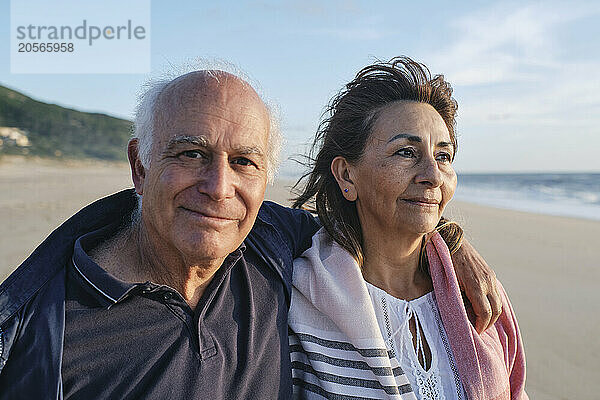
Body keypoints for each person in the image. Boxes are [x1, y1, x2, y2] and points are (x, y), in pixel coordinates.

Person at [0, 66, 501, 399]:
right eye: (191, 154)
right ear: (140, 165)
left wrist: (451, 244)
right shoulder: (49, 331)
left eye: (243, 162)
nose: (219, 188)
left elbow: (378, 225)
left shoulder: (271, 245)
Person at [289, 57, 527, 399]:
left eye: (443, 156)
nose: (432, 175)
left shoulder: (477, 293)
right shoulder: (300, 299)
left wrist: (453, 242)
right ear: (346, 175)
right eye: (406, 152)